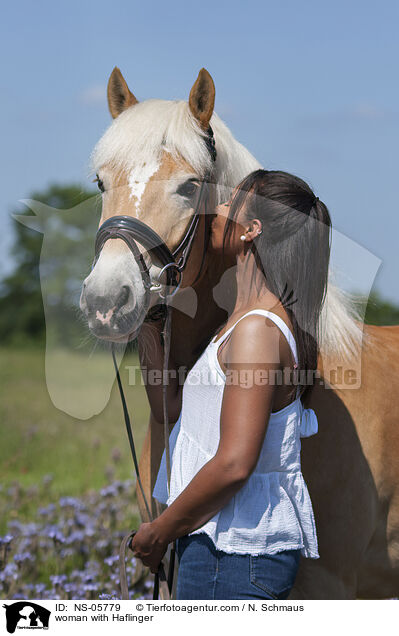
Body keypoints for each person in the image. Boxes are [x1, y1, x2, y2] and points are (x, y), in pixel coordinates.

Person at [132, 169, 332, 600]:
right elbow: (171, 410)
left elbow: (234, 463)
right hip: (213, 544)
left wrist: (158, 533)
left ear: (252, 231)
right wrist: (149, 323)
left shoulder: (257, 330)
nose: (217, 211)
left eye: (230, 202)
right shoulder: (240, 322)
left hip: (235, 557)